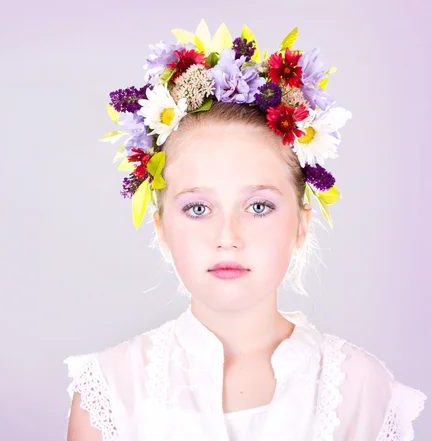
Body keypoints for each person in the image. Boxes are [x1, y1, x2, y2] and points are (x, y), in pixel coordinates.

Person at [63, 20, 427, 441]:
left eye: (258, 206)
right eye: (198, 207)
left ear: (301, 225)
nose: (228, 237)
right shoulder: (110, 394)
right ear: (161, 228)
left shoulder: (364, 392)